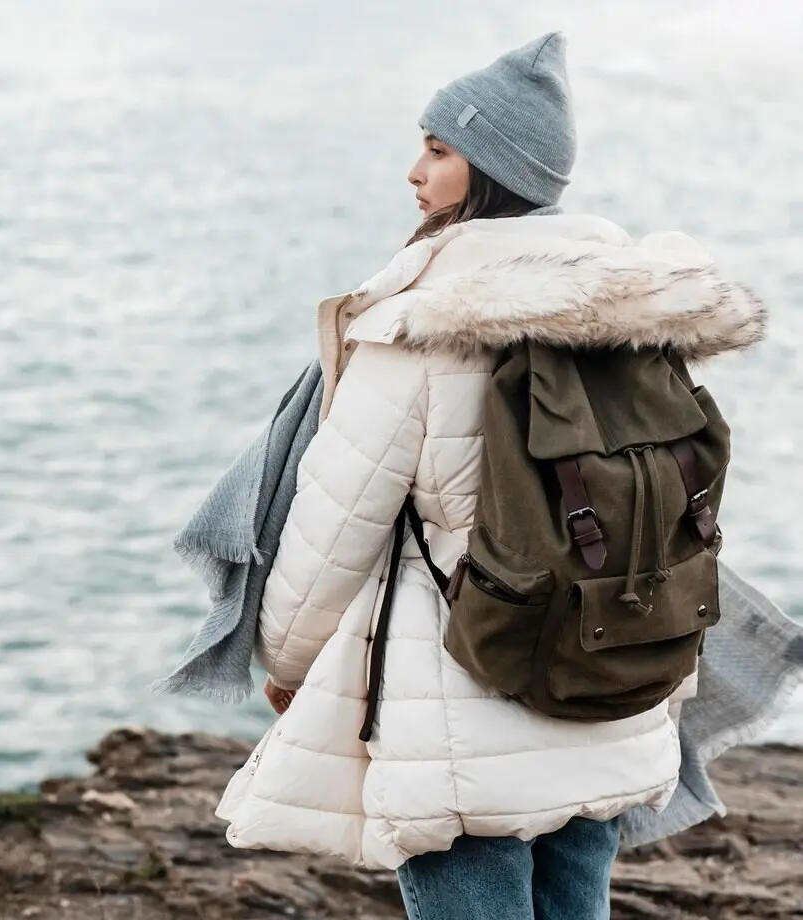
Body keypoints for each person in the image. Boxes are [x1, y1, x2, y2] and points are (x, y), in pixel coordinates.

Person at [213, 32, 767, 920]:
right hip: (616, 681)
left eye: (438, 150)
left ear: (494, 169)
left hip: (463, 704)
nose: (414, 172)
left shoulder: (421, 330)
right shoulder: (639, 321)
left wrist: (288, 660)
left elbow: (336, 525)